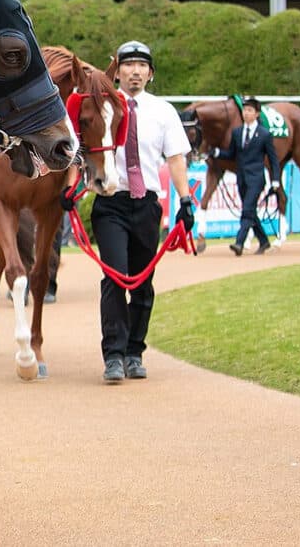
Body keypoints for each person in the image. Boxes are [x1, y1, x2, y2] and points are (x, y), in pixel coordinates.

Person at [90, 40, 193, 382]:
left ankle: (135, 350)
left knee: (143, 283)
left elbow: (176, 158)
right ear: (116, 71)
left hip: (147, 204)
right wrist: (72, 190)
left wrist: (186, 200)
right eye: (128, 65)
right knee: (115, 277)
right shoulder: (103, 106)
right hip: (111, 203)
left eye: (142, 66)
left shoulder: (163, 112)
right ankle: (114, 355)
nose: (135, 71)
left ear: (151, 73)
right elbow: (85, 148)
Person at [211, 97, 280, 256]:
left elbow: (273, 159)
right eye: (244, 110)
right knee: (250, 211)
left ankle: (239, 243)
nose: (246, 113)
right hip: (241, 177)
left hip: (256, 178)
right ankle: (263, 241)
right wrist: (217, 153)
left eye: (250, 110)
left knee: (247, 209)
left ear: (257, 114)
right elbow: (231, 154)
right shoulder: (237, 132)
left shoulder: (264, 134)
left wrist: (275, 180)